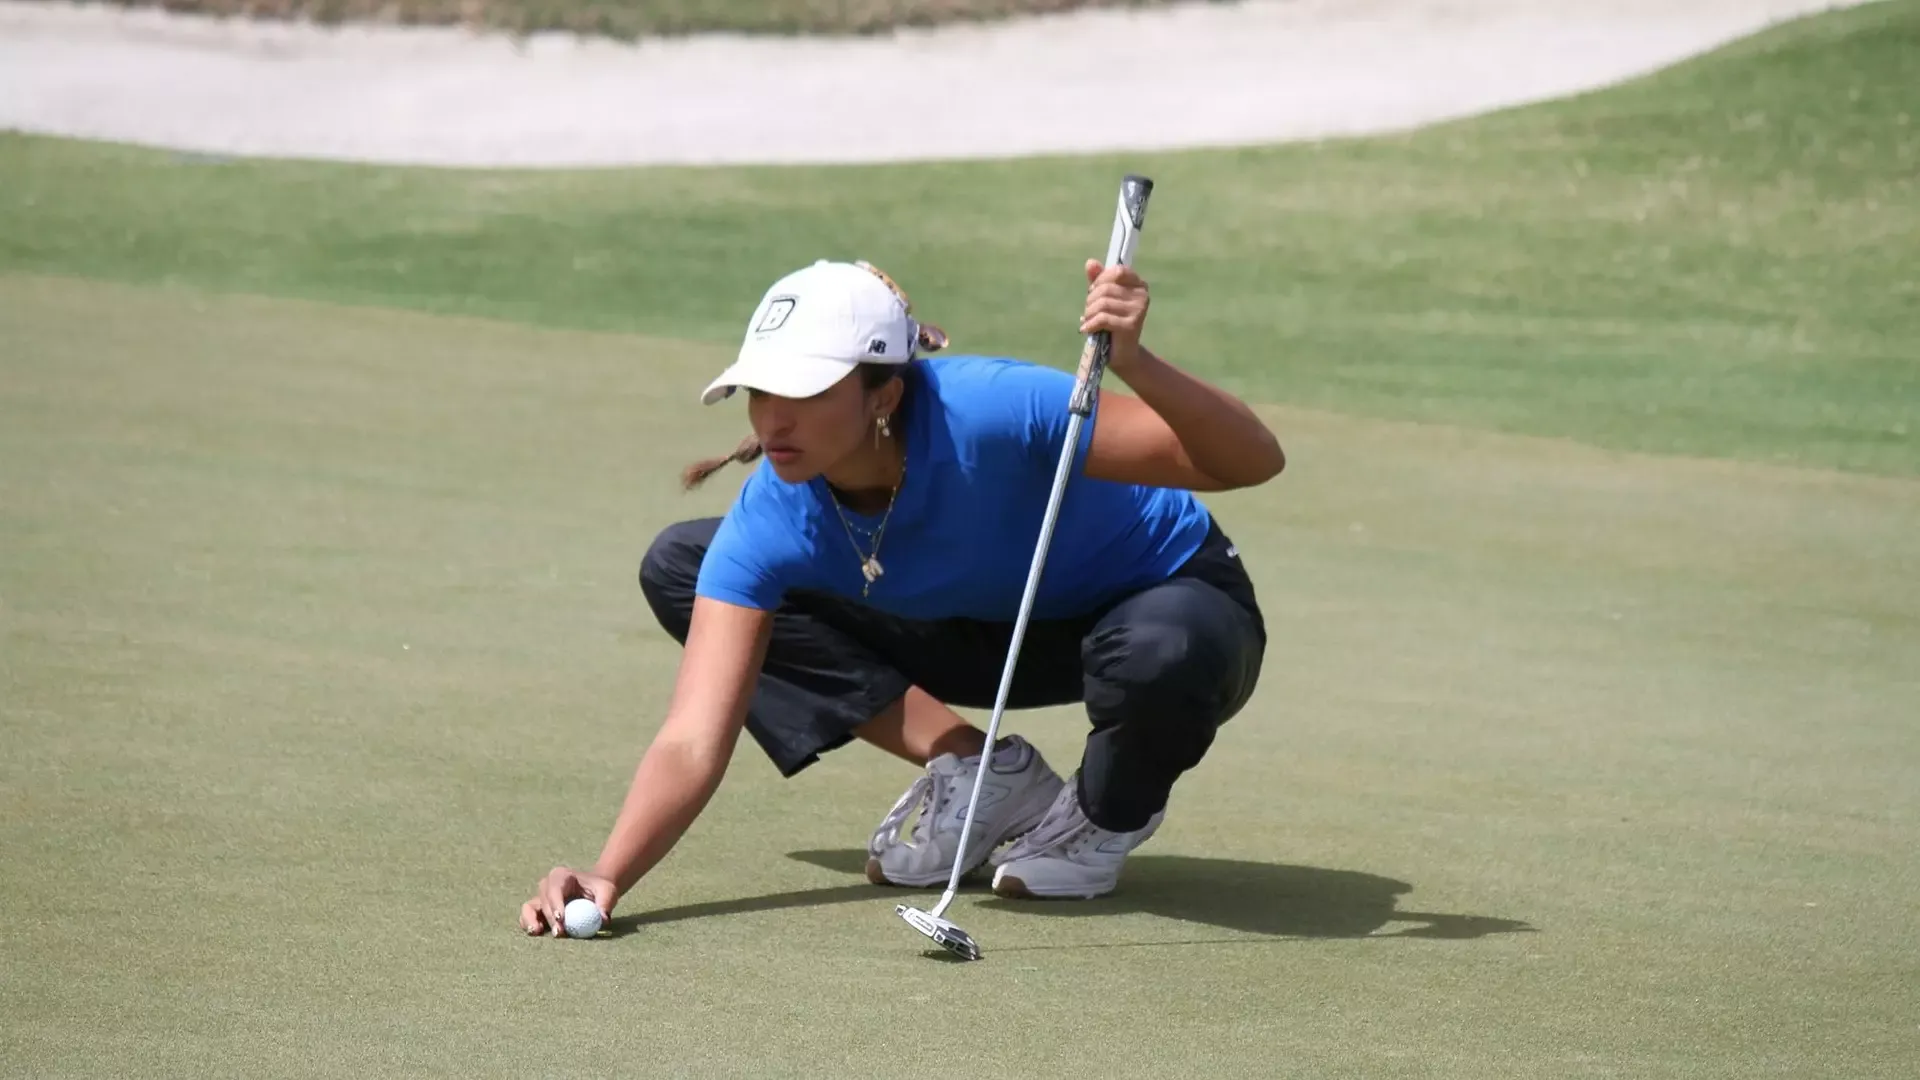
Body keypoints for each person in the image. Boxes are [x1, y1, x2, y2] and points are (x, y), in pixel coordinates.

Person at [519, 254, 1285, 937]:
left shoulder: (995, 411)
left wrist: (1139, 363)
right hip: (972, 626)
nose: (771, 419)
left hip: (1161, 605)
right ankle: (984, 775)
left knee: (1162, 647)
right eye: (759, 392)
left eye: (804, 392)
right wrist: (610, 872)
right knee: (685, 562)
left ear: (882, 395)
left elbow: (1250, 460)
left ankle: (1104, 816)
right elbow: (693, 735)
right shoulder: (775, 513)